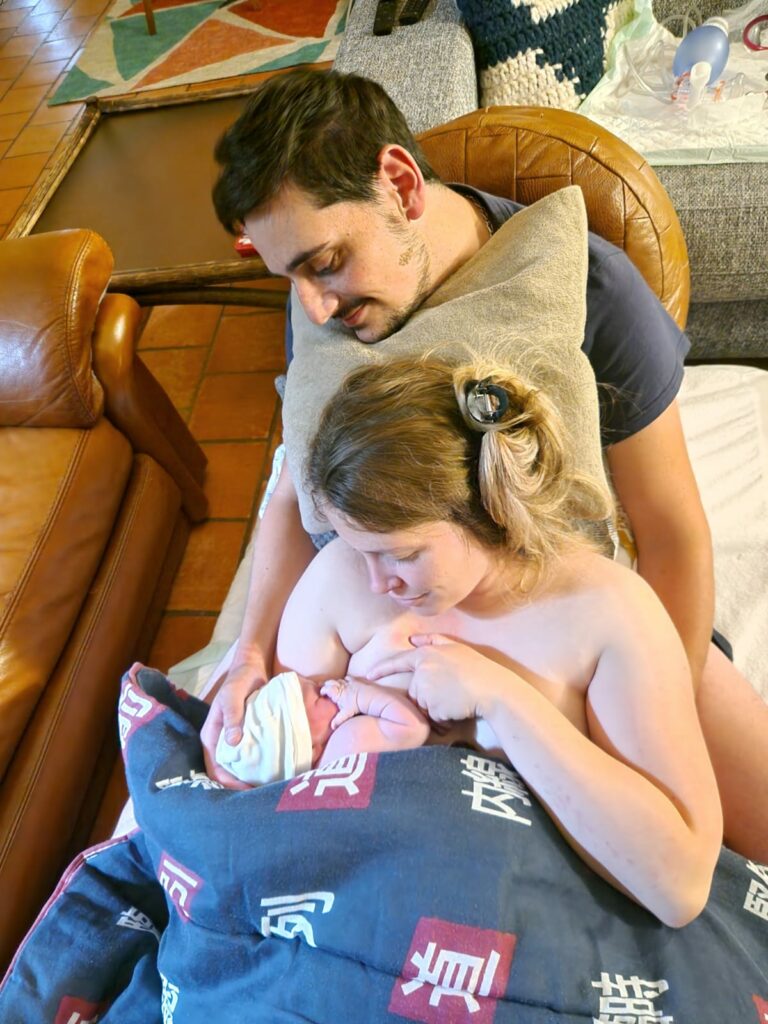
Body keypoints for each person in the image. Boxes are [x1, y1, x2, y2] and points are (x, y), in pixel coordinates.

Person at [205, 68, 767, 856]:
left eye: (325, 261)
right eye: (287, 276)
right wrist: (252, 653)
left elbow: (672, 533)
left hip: (575, 621)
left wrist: (638, 710)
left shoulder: (595, 291)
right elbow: (302, 492)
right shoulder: (328, 311)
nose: (313, 310)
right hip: (390, 630)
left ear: (400, 184)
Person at [272, 354, 723, 927]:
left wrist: (501, 700)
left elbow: (679, 887)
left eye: (403, 555)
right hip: (362, 907)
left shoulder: (604, 615)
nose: (375, 582)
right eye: (358, 548)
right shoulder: (340, 578)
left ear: (488, 508)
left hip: (528, 926)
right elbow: (274, 778)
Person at [214, 669, 429, 785]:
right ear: (309, 748)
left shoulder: (324, 750)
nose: (327, 684)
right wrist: (360, 696)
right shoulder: (343, 745)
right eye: (318, 694)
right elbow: (414, 727)